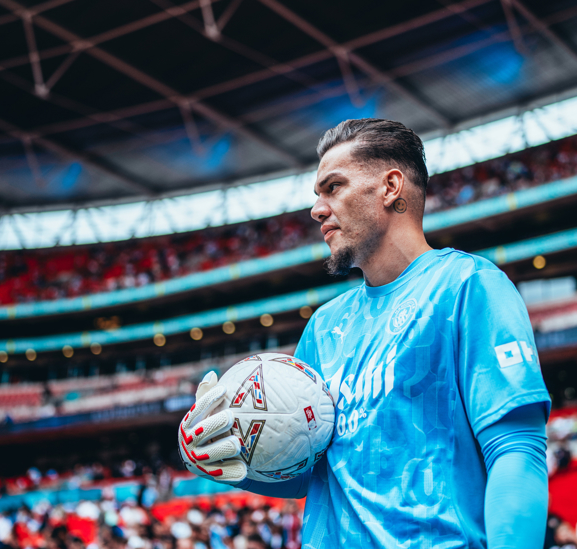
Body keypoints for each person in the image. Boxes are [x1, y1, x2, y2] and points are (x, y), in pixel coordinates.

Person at [177, 119, 551, 548]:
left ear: (391, 187)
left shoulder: (468, 286)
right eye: (317, 194)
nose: (317, 209)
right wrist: (221, 459)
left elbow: (517, 450)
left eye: (332, 187)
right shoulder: (323, 327)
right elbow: (305, 472)